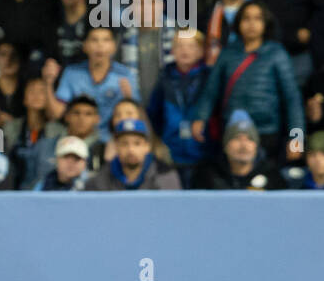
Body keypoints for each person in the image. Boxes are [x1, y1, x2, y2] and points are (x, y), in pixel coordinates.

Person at [191, 0, 303, 163]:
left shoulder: (276, 54)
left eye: (258, 19)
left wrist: (297, 139)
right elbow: (211, 91)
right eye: (246, 18)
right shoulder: (228, 54)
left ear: (266, 23)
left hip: (266, 132)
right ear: (238, 23)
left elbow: (292, 99)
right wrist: (200, 118)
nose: (252, 24)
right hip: (232, 131)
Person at [146, 28, 209, 188]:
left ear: (201, 50)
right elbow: (154, 113)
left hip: (203, 155)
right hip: (171, 155)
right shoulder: (165, 77)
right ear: (172, 50)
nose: (185, 51)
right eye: (179, 46)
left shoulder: (209, 77)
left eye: (191, 46)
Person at [55, 25, 140, 141]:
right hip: (77, 139)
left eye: (106, 40)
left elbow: (137, 118)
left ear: (114, 46)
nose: (100, 45)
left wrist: (129, 98)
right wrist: (47, 83)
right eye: (94, 40)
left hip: (113, 140)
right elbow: (57, 113)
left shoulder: (125, 75)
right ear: (85, 45)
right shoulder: (72, 73)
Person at [192, 110, 284, 188]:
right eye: (237, 138)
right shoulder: (208, 177)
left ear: (256, 146)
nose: (243, 145)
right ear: (226, 145)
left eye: (249, 139)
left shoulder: (273, 177)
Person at [85, 116, 181, 190]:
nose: (131, 149)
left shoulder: (164, 174)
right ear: (116, 147)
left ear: (147, 146)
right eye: (124, 143)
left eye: (137, 143)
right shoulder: (102, 177)